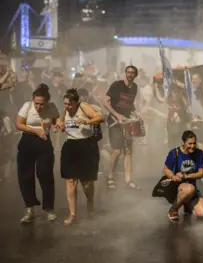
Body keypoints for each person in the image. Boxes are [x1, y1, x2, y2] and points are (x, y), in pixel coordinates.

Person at [15, 84, 60, 223]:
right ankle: (30, 210)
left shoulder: (52, 107)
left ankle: (49, 209)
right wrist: (35, 131)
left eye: (42, 104)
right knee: (25, 176)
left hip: (44, 143)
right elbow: (19, 124)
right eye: (37, 103)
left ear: (47, 101)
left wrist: (59, 124)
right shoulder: (27, 106)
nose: (39, 107)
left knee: (45, 175)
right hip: (27, 141)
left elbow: (56, 120)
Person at [60, 89, 104, 225]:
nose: (67, 107)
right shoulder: (65, 110)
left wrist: (86, 121)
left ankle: (90, 203)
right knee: (70, 181)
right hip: (70, 146)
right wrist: (59, 126)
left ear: (76, 102)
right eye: (65, 104)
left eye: (69, 104)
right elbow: (62, 123)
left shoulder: (83, 106)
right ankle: (72, 214)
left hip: (87, 146)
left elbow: (100, 117)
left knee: (86, 183)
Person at [103, 65, 140, 190]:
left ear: (135, 75)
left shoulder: (135, 87)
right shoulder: (116, 85)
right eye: (128, 72)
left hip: (127, 122)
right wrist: (117, 115)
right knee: (117, 151)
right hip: (114, 122)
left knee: (128, 150)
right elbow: (105, 102)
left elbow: (130, 105)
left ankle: (128, 180)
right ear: (125, 73)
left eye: (132, 73)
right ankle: (110, 176)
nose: (130, 74)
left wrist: (136, 115)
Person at [163, 130, 203, 221]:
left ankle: (186, 202)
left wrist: (186, 176)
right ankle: (173, 210)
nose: (192, 146)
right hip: (177, 187)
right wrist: (173, 176)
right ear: (184, 143)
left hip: (191, 187)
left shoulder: (199, 154)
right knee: (189, 189)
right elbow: (166, 169)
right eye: (190, 144)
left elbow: (201, 173)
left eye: (194, 143)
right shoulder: (175, 152)